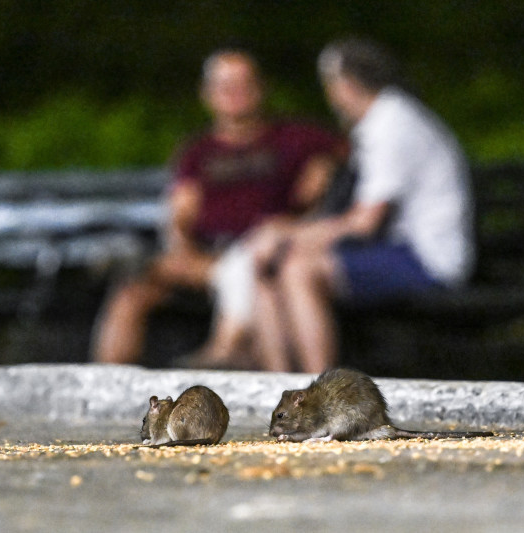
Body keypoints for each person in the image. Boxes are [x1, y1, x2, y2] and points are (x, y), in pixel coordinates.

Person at [91, 48, 345, 366]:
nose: (236, 94)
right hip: (205, 255)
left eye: (244, 84)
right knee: (132, 283)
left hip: (265, 250)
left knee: (245, 263)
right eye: (226, 86)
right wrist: (181, 240)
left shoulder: (298, 137)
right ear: (208, 94)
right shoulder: (197, 152)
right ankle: (108, 376)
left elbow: (354, 154)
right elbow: (179, 212)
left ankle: (224, 351)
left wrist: (326, 171)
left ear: (262, 87)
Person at [250, 38, 474, 373]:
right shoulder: (383, 121)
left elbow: (365, 222)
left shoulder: (393, 124)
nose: (330, 96)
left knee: (298, 268)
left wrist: (290, 235)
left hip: (428, 259)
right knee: (273, 264)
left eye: (330, 85)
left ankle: (319, 392)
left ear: (347, 84)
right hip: (399, 249)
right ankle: (280, 387)